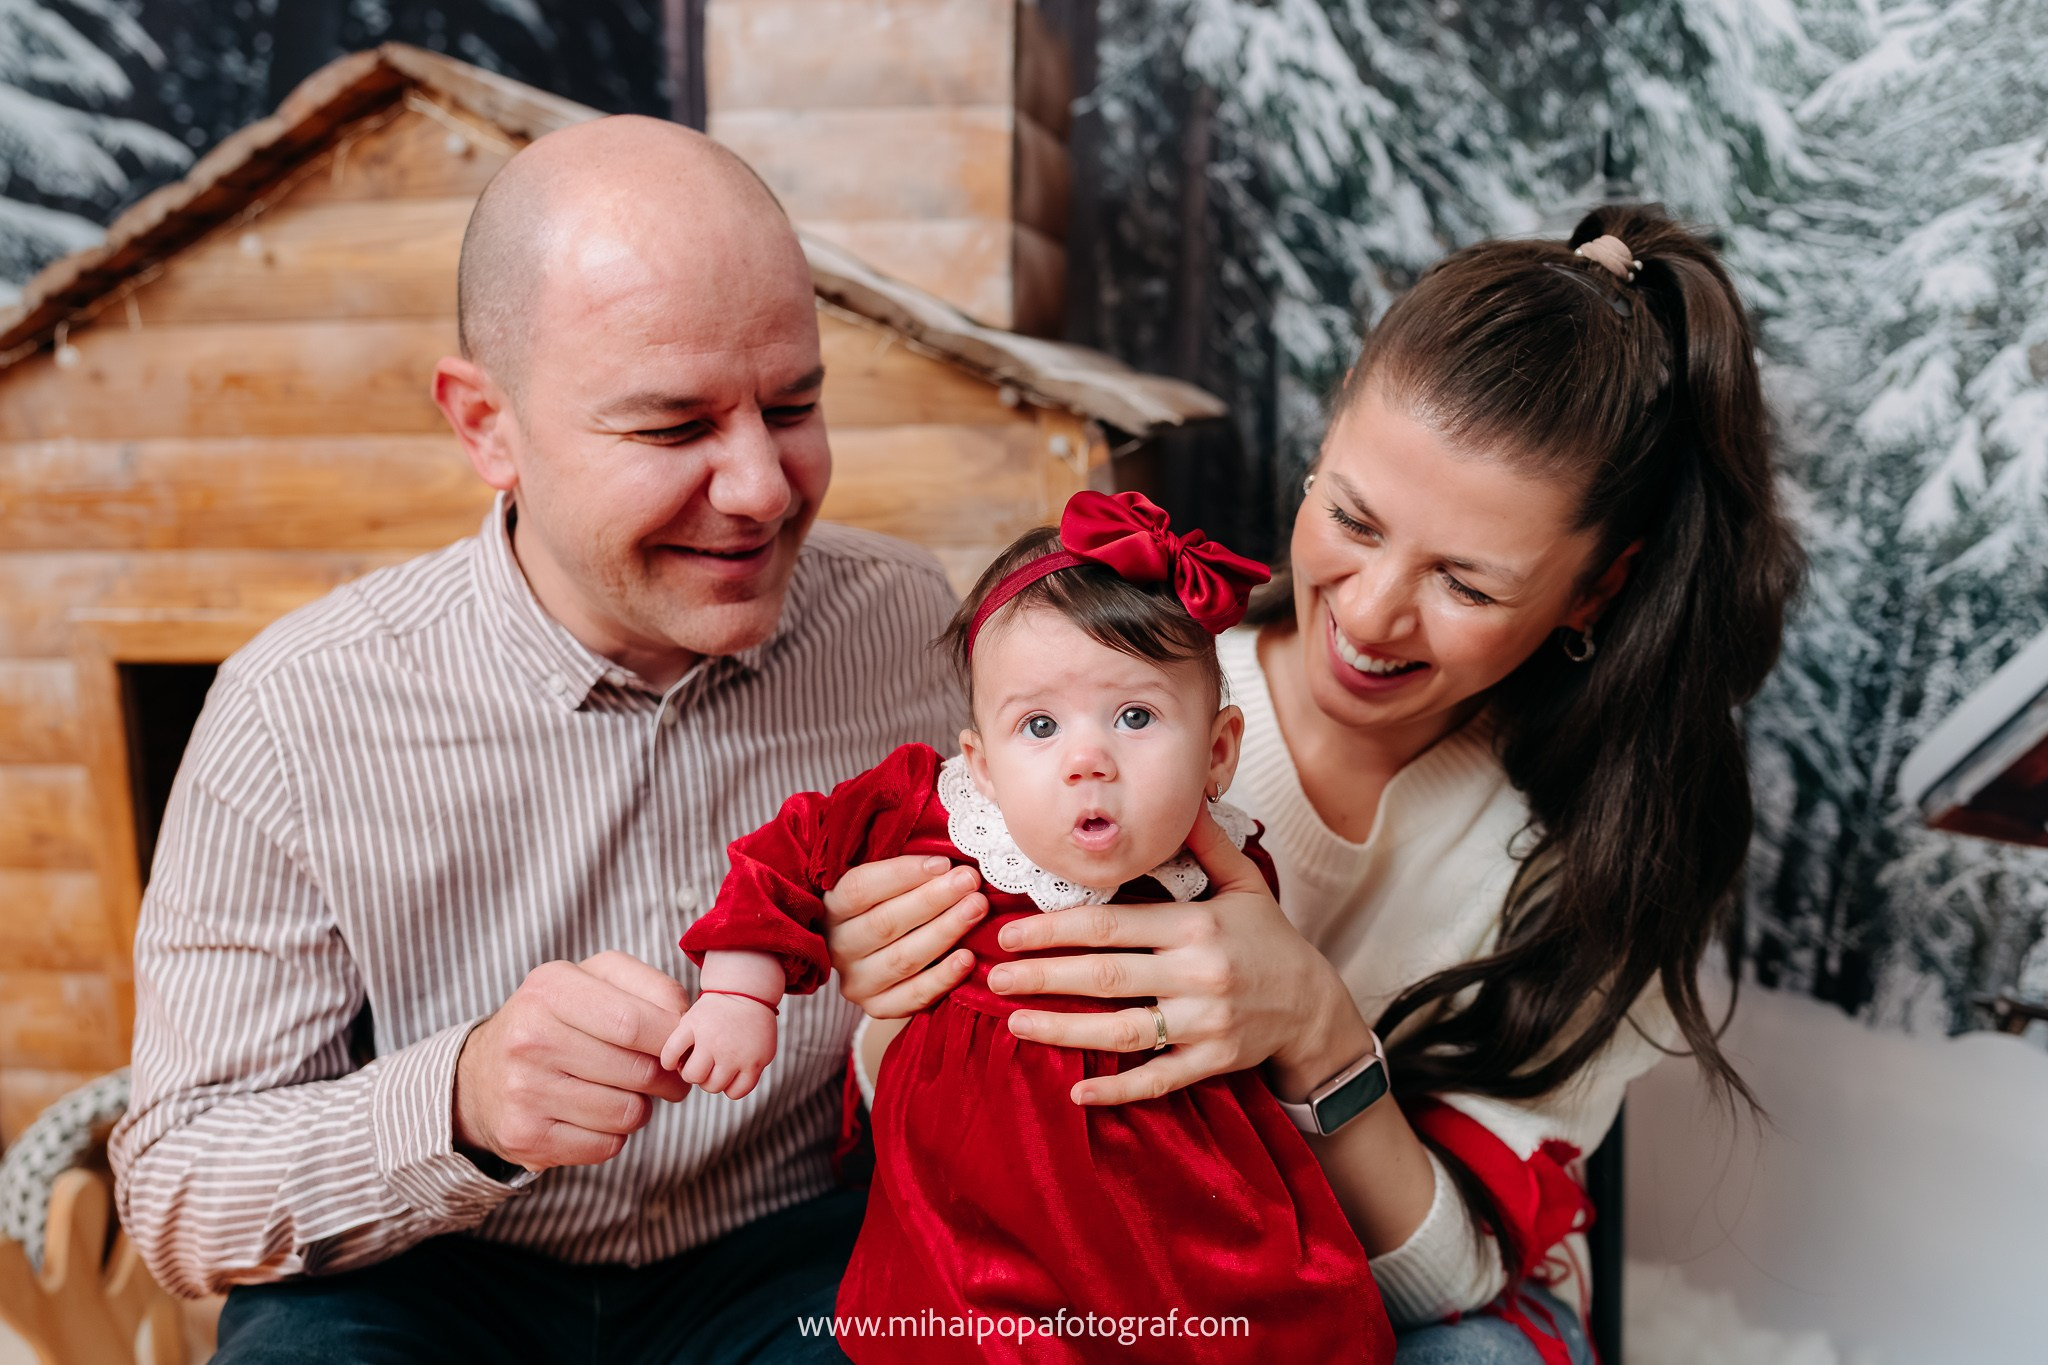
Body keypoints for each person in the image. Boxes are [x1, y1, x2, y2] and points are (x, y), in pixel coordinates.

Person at [825, 205, 1802, 1365]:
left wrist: (1315, 1034)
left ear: (1594, 591)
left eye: (1467, 584)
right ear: (1320, 445)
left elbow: (1456, 1283)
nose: (1372, 612)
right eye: (1349, 518)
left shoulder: (1605, 853)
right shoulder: (1115, 708)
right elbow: (932, 1151)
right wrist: (897, 1000)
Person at [109, 116, 964, 1363]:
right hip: (424, 1278)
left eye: (793, 404)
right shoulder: (292, 709)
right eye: (673, 428)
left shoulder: (906, 625)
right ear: (485, 428)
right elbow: (180, 1201)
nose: (763, 490)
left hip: (793, 1256)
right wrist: (461, 1101)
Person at [666, 491, 1395, 1364]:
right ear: (981, 761)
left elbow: (1256, 1018)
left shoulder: (1225, 871)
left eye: (1135, 716)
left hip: (1175, 1209)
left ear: (1218, 752)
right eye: (1039, 726)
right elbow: (790, 851)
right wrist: (740, 991)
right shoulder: (936, 814)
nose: (1087, 758)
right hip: (978, 1208)